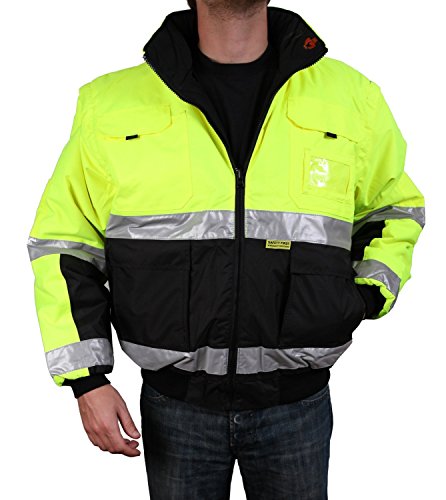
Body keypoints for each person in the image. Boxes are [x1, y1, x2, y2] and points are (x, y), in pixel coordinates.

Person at [26, 1, 425, 498]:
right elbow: (67, 243)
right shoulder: (110, 103)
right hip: (175, 405)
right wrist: (87, 380)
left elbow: (394, 210)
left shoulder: (351, 97)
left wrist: (365, 296)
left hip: (296, 404)